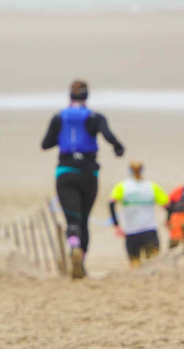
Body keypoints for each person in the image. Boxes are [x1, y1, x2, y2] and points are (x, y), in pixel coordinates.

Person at [41, 79, 125, 279]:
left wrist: (61, 138)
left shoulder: (59, 117)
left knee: (72, 218)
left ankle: (74, 246)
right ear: (87, 96)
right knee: (84, 220)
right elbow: (109, 136)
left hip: (65, 172)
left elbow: (46, 144)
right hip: (88, 173)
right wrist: (118, 147)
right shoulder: (95, 117)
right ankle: (82, 260)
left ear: (69, 96)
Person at [109, 161, 169, 268]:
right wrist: (167, 220)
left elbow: (111, 203)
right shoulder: (151, 186)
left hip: (131, 232)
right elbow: (167, 205)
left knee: (135, 265)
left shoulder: (122, 186)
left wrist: (116, 225)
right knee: (154, 265)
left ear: (129, 171)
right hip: (149, 230)